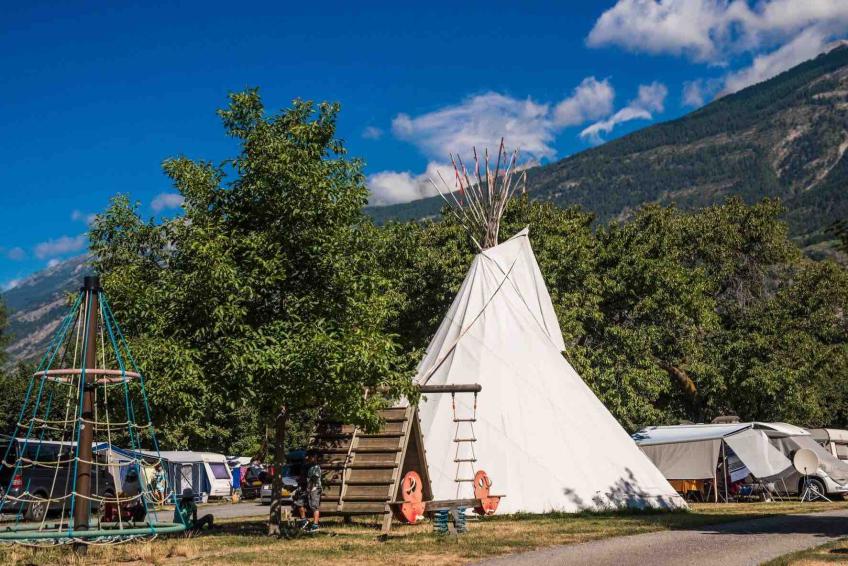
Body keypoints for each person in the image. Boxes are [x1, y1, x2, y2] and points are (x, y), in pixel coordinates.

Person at [292, 452, 321, 533]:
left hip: (314, 489)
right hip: (305, 488)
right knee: (299, 503)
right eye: (309, 457)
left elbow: (314, 479)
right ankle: (304, 521)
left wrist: (309, 489)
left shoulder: (316, 467)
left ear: (315, 458)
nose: (309, 458)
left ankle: (315, 525)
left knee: (314, 506)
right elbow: (303, 477)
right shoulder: (305, 466)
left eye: (311, 457)